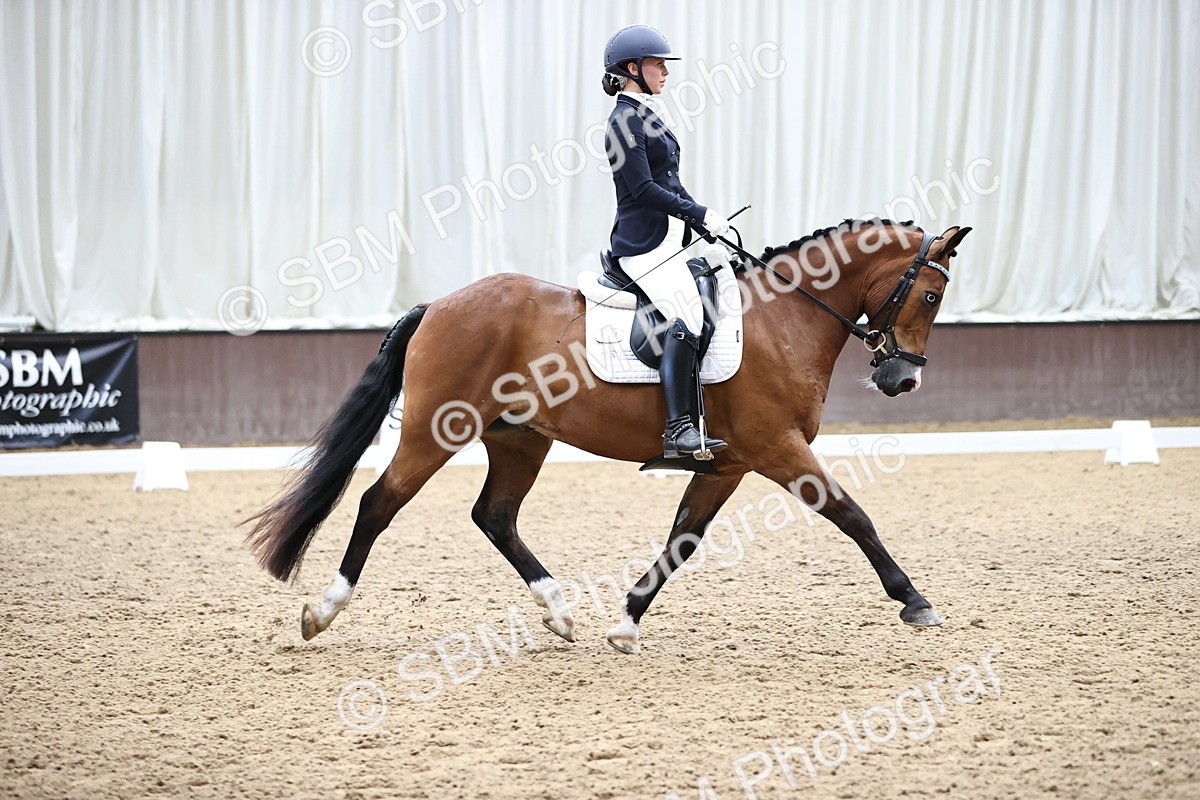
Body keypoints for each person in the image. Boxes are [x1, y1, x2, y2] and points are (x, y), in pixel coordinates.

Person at [602, 24, 731, 459]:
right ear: (633, 68)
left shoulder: (647, 115)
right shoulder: (622, 122)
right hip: (642, 246)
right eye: (658, 64)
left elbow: (671, 184)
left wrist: (707, 220)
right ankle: (678, 431)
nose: (665, 72)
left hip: (670, 242)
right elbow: (642, 190)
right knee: (689, 315)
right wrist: (697, 213)